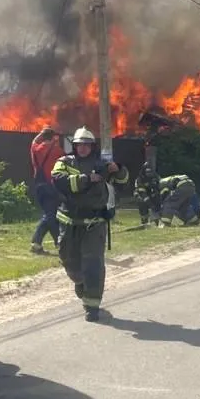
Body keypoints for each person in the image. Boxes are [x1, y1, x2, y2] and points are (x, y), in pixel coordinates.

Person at [50, 127, 129, 322]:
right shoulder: (64, 163)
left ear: (92, 147)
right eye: (80, 145)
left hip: (95, 223)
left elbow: (123, 182)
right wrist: (87, 179)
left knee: (93, 264)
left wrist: (118, 169)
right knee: (69, 261)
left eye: (87, 145)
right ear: (74, 146)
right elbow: (58, 181)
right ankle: (80, 282)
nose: (83, 148)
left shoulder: (101, 164)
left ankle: (92, 306)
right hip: (69, 222)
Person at [29, 127, 64, 254]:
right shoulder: (58, 151)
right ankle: (59, 243)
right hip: (52, 186)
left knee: (49, 215)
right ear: (53, 137)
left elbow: (33, 141)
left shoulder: (36, 149)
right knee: (52, 216)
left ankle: (36, 243)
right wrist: (56, 141)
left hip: (39, 186)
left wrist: (41, 133)